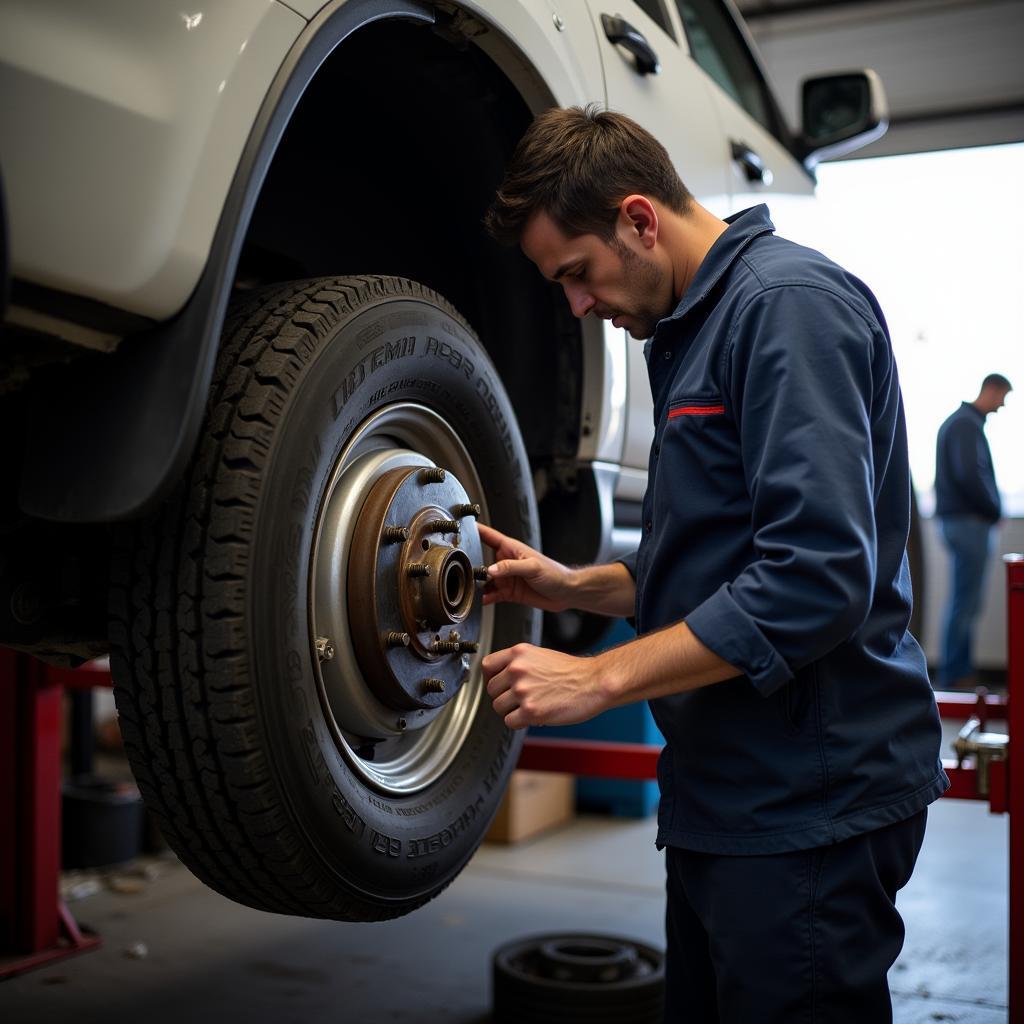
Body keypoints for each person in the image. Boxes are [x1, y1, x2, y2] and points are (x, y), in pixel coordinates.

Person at [478, 106, 947, 1023]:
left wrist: (598, 677)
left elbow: (814, 578)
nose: (577, 305)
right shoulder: (689, 327)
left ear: (639, 219)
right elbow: (723, 561)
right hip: (723, 794)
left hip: (811, 798)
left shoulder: (785, 308)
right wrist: (579, 584)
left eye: (577, 274)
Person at [934, 373, 1012, 688]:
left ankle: (959, 671)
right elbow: (970, 476)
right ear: (990, 390)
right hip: (968, 523)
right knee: (964, 603)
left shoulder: (963, 423)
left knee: (964, 601)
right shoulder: (965, 425)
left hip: (962, 522)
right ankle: (955, 675)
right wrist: (994, 510)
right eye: (1003, 396)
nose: (1003, 404)